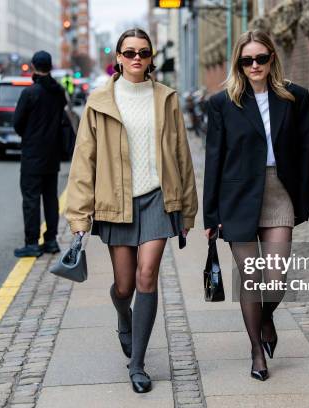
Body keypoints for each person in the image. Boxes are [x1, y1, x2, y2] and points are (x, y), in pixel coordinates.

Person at [65, 28, 197, 393]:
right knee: (124, 287)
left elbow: (182, 156)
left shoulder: (166, 99)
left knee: (147, 275)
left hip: (157, 197)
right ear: (119, 58)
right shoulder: (99, 101)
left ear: (151, 57)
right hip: (115, 202)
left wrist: (187, 212)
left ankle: (137, 363)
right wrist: (79, 217)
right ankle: (124, 316)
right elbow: (83, 162)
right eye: (129, 52)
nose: (136, 57)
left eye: (143, 52)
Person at [203, 30, 309, 380]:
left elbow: (306, 152)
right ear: (239, 63)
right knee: (251, 278)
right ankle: (256, 351)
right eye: (247, 60)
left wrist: (304, 200)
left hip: (278, 193)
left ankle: (265, 318)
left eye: (261, 58)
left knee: (276, 279)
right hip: (237, 198)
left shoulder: (295, 97)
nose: (255, 65)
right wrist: (211, 214)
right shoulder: (223, 103)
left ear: (271, 59)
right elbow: (214, 159)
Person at [13, 51, 67, 258]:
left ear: (34, 67)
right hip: (52, 154)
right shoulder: (58, 91)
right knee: (50, 198)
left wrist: (28, 135)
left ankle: (32, 243)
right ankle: (51, 240)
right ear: (50, 67)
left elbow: (18, 123)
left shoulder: (30, 93)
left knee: (31, 199)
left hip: (32, 154)